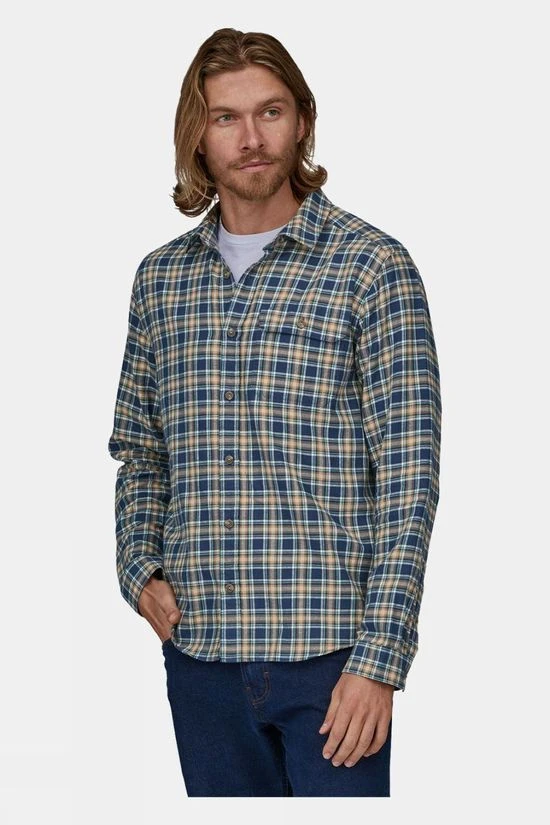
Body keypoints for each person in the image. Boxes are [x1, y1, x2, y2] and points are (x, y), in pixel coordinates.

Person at [107, 27, 442, 797]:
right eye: (226, 117)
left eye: (271, 111)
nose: (251, 138)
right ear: (198, 135)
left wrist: (379, 660)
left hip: (331, 663)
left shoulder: (372, 267)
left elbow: (408, 477)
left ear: (302, 121)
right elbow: (141, 449)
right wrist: (138, 567)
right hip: (201, 660)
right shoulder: (161, 281)